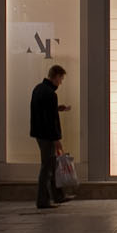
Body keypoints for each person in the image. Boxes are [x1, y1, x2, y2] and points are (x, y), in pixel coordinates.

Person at [29, 64, 72, 210]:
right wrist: (56, 139)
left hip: (39, 133)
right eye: (61, 78)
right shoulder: (50, 94)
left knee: (52, 165)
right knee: (47, 167)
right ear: (56, 76)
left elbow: (43, 111)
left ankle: (58, 196)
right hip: (47, 135)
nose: (61, 82)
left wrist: (58, 108)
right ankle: (43, 200)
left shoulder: (38, 89)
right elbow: (50, 119)